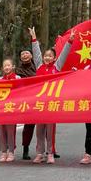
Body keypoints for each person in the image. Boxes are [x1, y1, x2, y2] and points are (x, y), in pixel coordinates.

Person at [32, 29, 75, 164]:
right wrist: (34, 38)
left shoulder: (57, 67)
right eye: (46, 56)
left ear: (54, 58)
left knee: (50, 131)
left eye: (50, 56)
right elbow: (36, 53)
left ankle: (50, 153)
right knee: (39, 131)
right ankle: (39, 153)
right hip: (39, 104)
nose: (47, 58)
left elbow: (64, 54)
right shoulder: (39, 66)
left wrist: (70, 41)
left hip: (52, 104)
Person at [17, 27, 38, 160]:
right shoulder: (18, 70)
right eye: (22, 54)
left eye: (27, 53)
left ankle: (50, 150)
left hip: (41, 99)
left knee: (48, 125)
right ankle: (25, 148)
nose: (25, 55)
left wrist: (33, 37)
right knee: (28, 126)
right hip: (26, 101)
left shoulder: (38, 66)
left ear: (31, 55)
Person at [0, 58, 20, 162]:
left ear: (13, 66)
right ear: (2, 68)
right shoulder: (0, 79)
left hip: (11, 108)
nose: (7, 67)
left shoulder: (18, 78)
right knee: (1, 130)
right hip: (1, 109)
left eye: (9, 65)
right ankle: (3, 151)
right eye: (5, 66)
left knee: (10, 131)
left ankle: (11, 152)